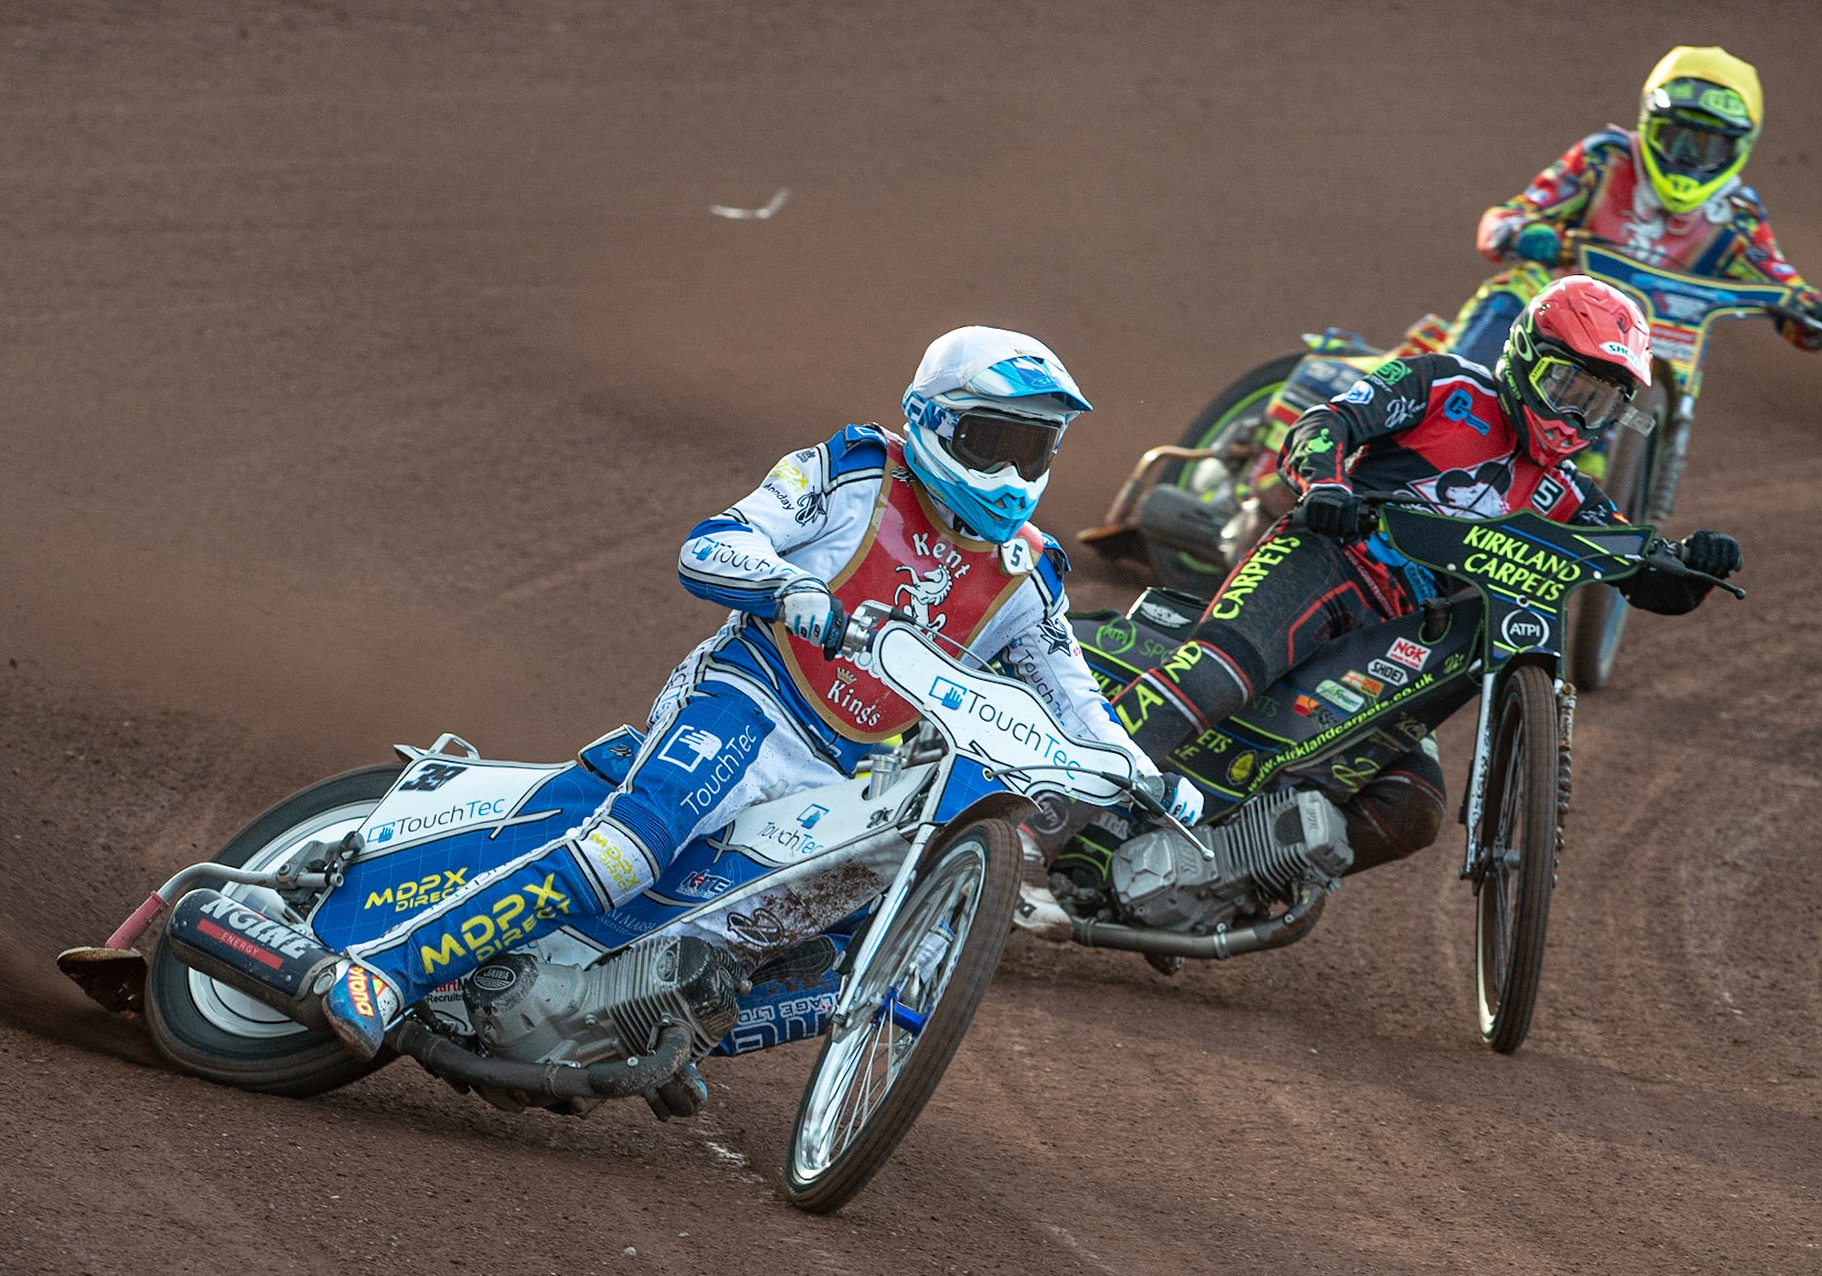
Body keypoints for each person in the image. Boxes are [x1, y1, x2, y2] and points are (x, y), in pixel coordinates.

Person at [309, 326, 1203, 1060]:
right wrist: (789, 588)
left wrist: (1142, 775)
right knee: (630, 850)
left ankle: (642, 1021)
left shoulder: (1028, 575)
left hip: (858, 772)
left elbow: (1077, 699)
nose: (1012, 476)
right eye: (993, 444)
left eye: (1034, 449)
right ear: (931, 422)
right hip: (752, 701)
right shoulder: (853, 472)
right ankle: (389, 970)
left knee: (837, 940)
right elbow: (713, 543)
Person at [1051, 277, 1742, 900]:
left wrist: (1695, 566)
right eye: (1567, 388)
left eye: (1598, 404)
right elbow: (1325, 423)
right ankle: (1038, 823)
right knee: (1208, 682)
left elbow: (1643, 573)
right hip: (1325, 561)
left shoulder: (1569, 492)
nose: (1574, 416)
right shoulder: (1445, 386)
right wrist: (1325, 484)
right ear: (1527, 358)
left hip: (1403, 637)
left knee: (1412, 806)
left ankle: (1216, 879)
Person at [1450, 45, 1822, 372]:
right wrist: (1529, 237)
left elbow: (1782, 286)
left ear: (1739, 148)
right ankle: (1454, 394)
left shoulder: (1737, 213)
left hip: (1650, 343)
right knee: (1518, 291)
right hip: (1560, 311)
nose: (1687, 158)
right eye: (1676, 138)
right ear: (1649, 126)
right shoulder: (1605, 158)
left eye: (1708, 146)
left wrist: (1821, 312)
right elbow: (1504, 222)